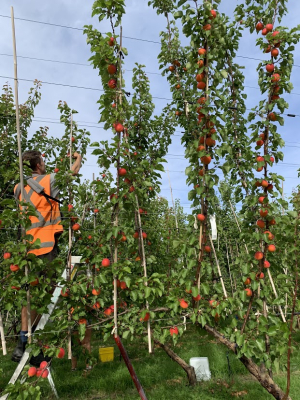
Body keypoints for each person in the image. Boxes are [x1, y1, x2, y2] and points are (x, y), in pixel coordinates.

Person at [11, 150, 82, 364]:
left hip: (25, 250)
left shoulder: (17, 189)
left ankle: (22, 343)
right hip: (45, 245)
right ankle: (28, 343)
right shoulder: (47, 180)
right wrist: (78, 158)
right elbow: (73, 172)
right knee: (46, 295)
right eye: (43, 161)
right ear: (39, 165)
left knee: (28, 296)